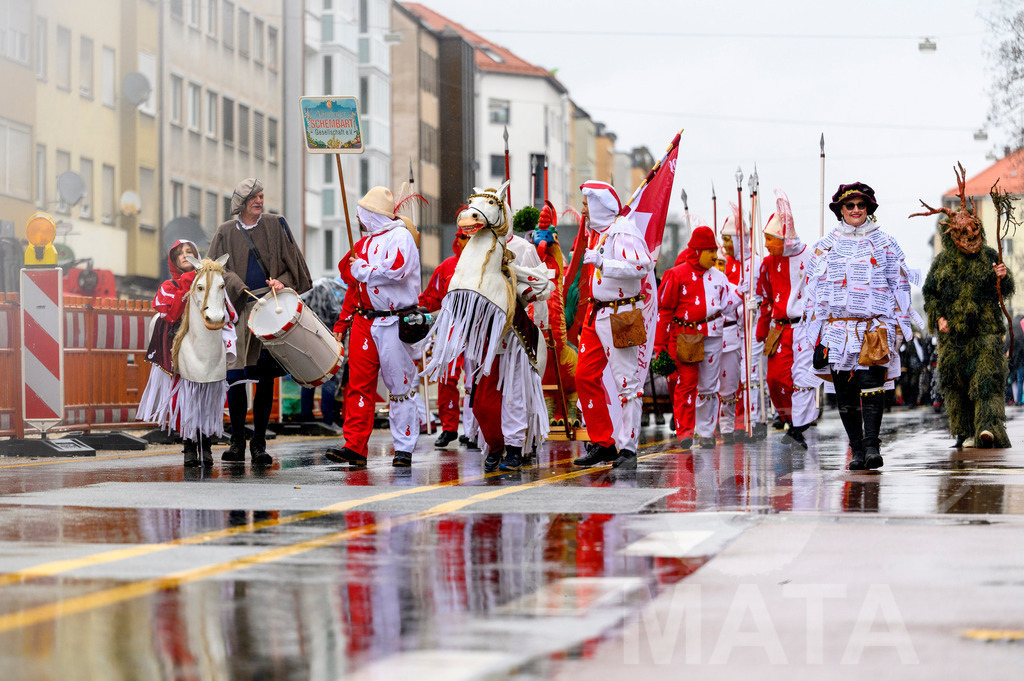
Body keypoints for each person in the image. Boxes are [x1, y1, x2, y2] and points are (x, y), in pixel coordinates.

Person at [805, 182, 914, 469]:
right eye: (850, 205)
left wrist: (899, 328)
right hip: (836, 331)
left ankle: (871, 445)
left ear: (869, 209)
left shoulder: (885, 243)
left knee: (871, 385)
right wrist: (816, 336)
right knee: (845, 392)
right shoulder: (825, 246)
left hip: (873, 327)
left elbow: (900, 286)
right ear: (840, 210)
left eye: (861, 205)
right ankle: (855, 449)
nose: (856, 210)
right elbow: (813, 295)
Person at [207, 178, 312, 466]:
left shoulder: (276, 224)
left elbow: (296, 267)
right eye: (254, 197)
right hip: (239, 311)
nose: (259, 201)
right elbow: (212, 269)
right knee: (236, 378)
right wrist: (234, 282)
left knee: (265, 379)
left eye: (262, 196)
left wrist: (282, 282)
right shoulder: (225, 231)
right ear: (241, 202)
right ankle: (237, 442)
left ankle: (259, 444)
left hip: (270, 311)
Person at [326, 186, 423, 467]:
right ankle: (355, 446)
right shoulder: (364, 244)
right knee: (358, 384)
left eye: (362, 213)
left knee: (399, 385)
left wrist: (364, 270)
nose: (358, 218)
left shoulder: (401, 237)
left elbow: (398, 270)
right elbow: (353, 287)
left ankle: (403, 447)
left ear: (371, 214)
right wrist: (342, 323)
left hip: (394, 320)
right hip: (364, 321)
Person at [921, 171, 1014, 448]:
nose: (970, 236)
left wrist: (1003, 276)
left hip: (985, 331)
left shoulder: (989, 256)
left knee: (987, 379)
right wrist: (938, 317)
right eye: (962, 232)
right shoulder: (942, 263)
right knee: (956, 383)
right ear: (953, 235)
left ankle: (987, 427)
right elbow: (930, 294)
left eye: (973, 230)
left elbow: (1005, 289)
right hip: (954, 336)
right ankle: (965, 431)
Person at [572, 181, 654, 469]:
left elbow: (642, 266)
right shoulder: (600, 233)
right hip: (596, 314)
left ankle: (628, 448)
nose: (583, 210)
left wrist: (604, 264)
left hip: (622, 314)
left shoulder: (624, 231)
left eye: (586, 204)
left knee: (627, 383)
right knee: (584, 376)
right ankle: (603, 442)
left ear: (599, 205)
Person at [654, 224, 737, 449]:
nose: (715, 256)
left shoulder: (720, 277)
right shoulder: (676, 274)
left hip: (714, 335)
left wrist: (744, 294)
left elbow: (729, 305)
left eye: (715, 250)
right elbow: (665, 311)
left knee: (709, 386)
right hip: (686, 337)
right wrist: (660, 344)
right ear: (698, 251)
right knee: (686, 384)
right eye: (710, 251)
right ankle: (685, 432)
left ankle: (707, 432)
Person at [755, 190, 819, 449]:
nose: (766, 244)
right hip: (779, 329)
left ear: (784, 239)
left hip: (804, 326)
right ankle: (788, 418)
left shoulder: (811, 256)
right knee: (775, 379)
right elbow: (766, 300)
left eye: (770, 239)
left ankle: (798, 427)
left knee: (801, 378)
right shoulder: (767, 264)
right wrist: (761, 331)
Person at [138, 240, 204, 465]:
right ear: (174, 260)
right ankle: (189, 447)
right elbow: (172, 314)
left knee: (205, 396)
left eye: (189, 251)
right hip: (179, 351)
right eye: (180, 253)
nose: (185, 255)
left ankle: (205, 446)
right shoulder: (169, 286)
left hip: (204, 351)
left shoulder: (208, 281)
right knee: (183, 398)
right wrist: (186, 282)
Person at [720, 206, 768, 441]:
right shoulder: (726, 263)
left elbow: (765, 293)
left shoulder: (757, 262)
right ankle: (738, 420)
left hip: (753, 324)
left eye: (728, 239)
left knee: (751, 374)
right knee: (734, 377)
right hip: (733, 328)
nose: (724, 245)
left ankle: (755, 419)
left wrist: (754, 303)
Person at [419, 228, 470, 448]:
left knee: (477, 380)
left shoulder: (487, 265)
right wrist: (415, 309)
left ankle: (475, 430)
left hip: (479, 328)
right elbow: (432, 298)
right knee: (447, 376)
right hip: (452, 328)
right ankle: (449, 428)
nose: (465, 241)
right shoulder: (446, 266)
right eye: (462, 236)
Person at [298, 276, 347, 425]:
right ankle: (328, 418)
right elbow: (342, 315)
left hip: (311, 336)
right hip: (334, 338)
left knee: (309, 376)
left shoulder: (318, 286)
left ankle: (306, 416)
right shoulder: (342, 291)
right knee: (331, 375)